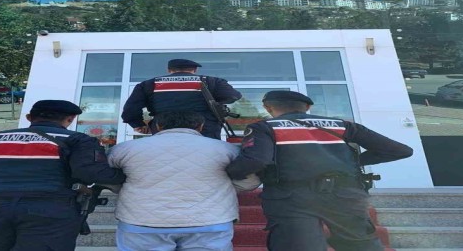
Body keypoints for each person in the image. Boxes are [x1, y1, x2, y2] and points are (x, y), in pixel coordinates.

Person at [226, 91, 413, 251]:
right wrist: (351, 163)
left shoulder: (265, 128)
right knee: (361, 245)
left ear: (268, 107)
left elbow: (256, 160)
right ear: (307, 107)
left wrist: (228, 173)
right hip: (345, 195)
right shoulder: (342, 125)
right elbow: (401, 150)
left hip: (291, 198)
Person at [0, 100, 126, 251]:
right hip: (50, 210)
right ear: (70, 119)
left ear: (29, 118)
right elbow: (90, 172)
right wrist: (125, 176)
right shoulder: (77, 140)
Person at [108, 111, 260, 251]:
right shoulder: (227, 149)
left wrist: (125, 188)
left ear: (158, 126)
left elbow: (105, 176)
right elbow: (250, 180)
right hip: (210, 221)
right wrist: (223, 188)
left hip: (141, 222)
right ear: (201, 126)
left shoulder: (125, 149)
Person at [121, 58, 242, 139]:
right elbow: (233, 96)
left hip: (163, 128)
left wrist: (138, 124)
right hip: (204, 128)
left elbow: (130, 110)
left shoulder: (149, 84)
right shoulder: (212, 81)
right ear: (195, 70)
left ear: (169, 70)